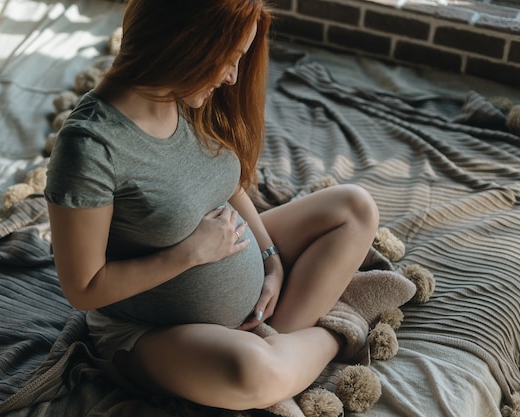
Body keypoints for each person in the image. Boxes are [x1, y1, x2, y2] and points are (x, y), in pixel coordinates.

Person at [45, 0, 382, 412]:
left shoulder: (184, 97)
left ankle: (280, 340)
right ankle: (337, 332)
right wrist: (190, 254)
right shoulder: (90, 148)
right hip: (149, 331)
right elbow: (82, 288)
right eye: (229, 59)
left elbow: (229, 186)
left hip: (250, 289)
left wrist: (271, 259)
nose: (233, 76)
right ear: (189, 43)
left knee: (354, 207)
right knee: (254, 374)